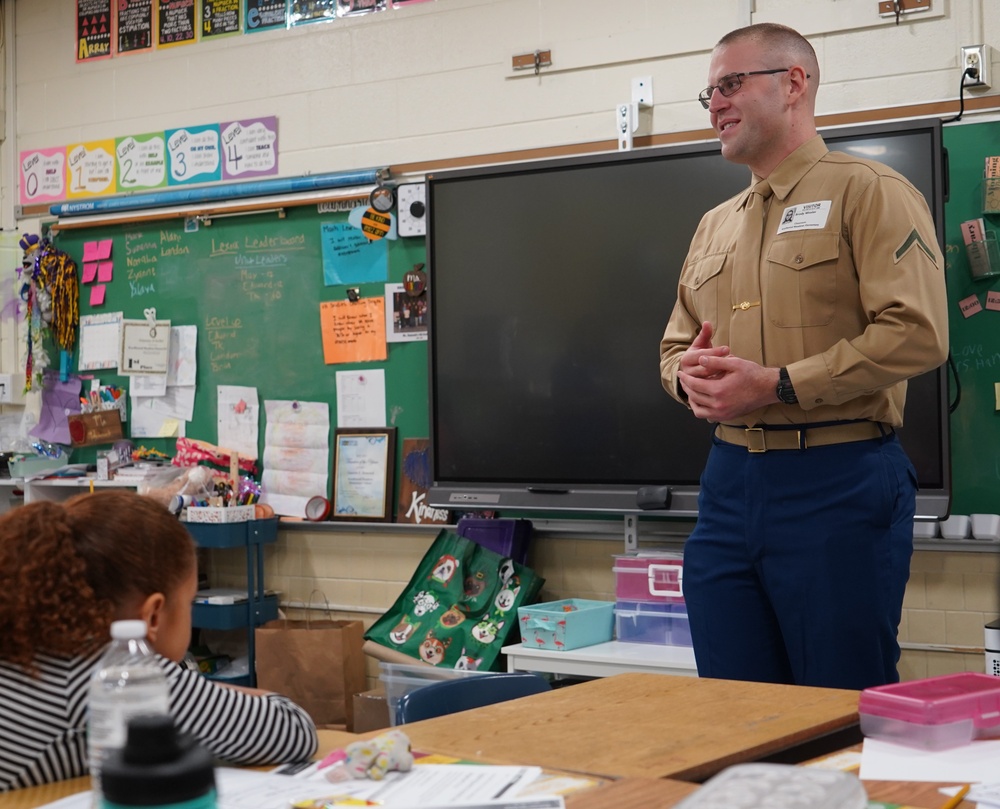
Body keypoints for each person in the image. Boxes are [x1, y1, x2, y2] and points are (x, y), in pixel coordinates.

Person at [659, 23, 949, 690]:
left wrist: (779, 384)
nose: (716, 104)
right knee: (737, 711)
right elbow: (675, 343)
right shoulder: (715, 223)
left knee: (837, 706)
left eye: (731, 84)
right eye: (708, 92)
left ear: (794, 84)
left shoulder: (870, 191)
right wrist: (689, 379)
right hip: (728, 485)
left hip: (838, 478)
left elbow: (919, 332)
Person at [0, 489, 318, 792]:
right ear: (153, 616)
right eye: (189, 601)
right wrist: (197, 688)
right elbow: (291, 730)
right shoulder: (104, 670)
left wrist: (197, 689)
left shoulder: (31, 639)